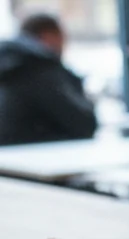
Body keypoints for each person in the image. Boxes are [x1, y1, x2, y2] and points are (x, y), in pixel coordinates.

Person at [0, 13, 97, 146]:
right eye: (62, 37)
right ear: (48, 36)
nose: (64, 45)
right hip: (38, 158)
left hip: (10, 159)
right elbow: (84, 124)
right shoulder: (38, 68)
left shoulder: (11, 63)